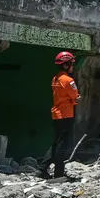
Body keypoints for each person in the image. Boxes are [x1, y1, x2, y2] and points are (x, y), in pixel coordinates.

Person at [40, 51, 80, 180]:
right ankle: (59, 173)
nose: (73, 67)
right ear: (66, 65)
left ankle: (43, 167)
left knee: (56, 143)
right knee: (62, 145)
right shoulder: (68, 80)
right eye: (71, 64)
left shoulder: (55, 79)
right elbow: (76, 97)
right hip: (66, 114)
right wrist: (76, 100)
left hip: (57, 114)